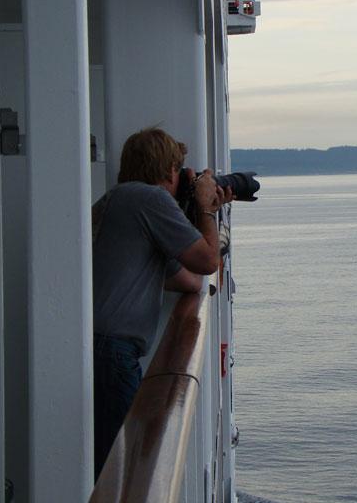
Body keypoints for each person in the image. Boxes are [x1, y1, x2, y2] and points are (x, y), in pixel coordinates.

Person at [91, 127, 232, 480]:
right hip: (112, 353)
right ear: (169, 171)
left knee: (117, 465)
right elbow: (207, 263)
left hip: (102, 352)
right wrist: (205, 211)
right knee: (128, 470)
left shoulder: (120, 202)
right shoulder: (148, 200)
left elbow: (189, 281)